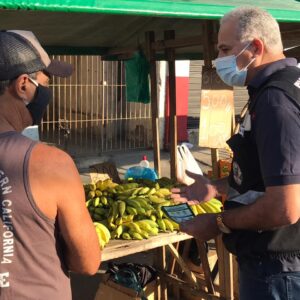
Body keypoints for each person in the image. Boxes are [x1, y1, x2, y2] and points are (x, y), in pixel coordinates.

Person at [172, 6, 300, 300]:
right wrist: (217, 188)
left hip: (278, 271)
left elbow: (285, 207)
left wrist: (217, 223)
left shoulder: (275, 102)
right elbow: (270, 176)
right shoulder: (286, 86)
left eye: (225, 49)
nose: (218, 60)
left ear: (255, 47)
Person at [0, 30, 101, 299]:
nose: (46, 91)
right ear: (23, 84)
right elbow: (87, 262)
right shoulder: (50, 163)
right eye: (44, 81)